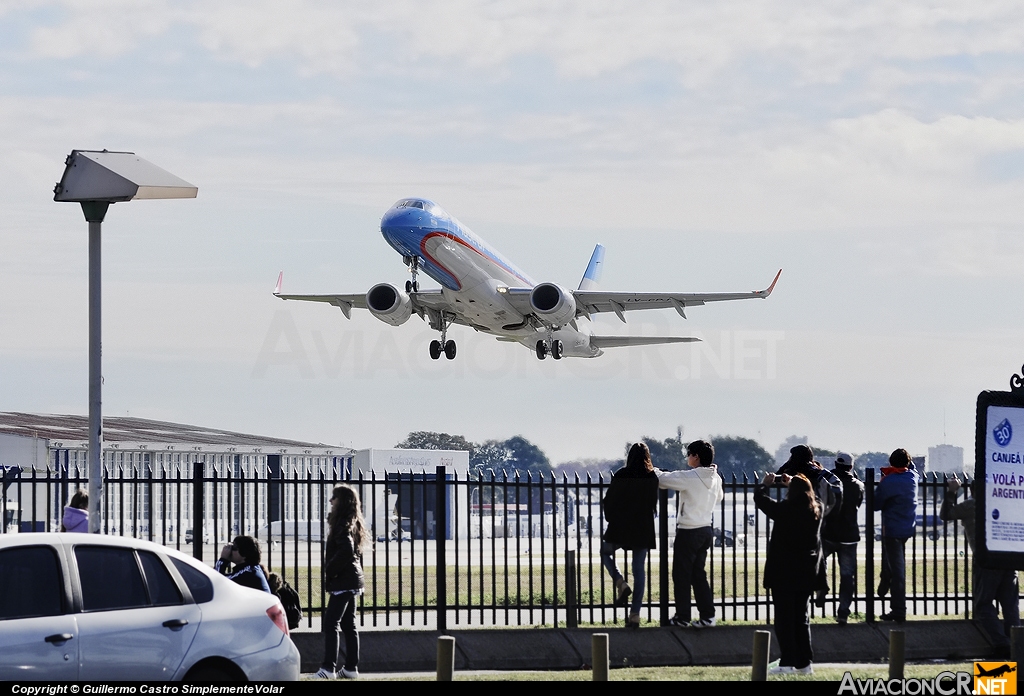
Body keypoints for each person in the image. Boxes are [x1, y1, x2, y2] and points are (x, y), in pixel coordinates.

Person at [940, 475, 1018, 657]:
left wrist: (952, 491)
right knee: (1010, 605)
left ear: (973, 490)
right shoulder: (1007, 503)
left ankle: (1002, 644)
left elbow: (946, 515)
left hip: (987, 560)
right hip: (1010, 557)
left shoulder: (971, 505)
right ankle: (1017, 643)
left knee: (983, 605)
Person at [755, 472, 824, 675]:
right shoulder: (815, 510)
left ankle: (787, 661)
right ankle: (804, 663)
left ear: (791, 492)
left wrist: (765, 484)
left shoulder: (785, 509)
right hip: (806, 572)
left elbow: (761, 500)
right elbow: (810, 496)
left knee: (784, 619)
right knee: (801, 618)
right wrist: (794, 483)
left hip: (784, 572)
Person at [657, 439, 724, 627]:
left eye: (689, 454)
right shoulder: (716, 478)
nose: (687, 458)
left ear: (696, 456)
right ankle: (708, 616)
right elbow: (719, 497)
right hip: (705, 530)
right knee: (698, 575)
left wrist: (651, 469)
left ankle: (682, 616)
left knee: (681, 575)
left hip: (688, 530)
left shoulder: (691, 477)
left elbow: (663, 480)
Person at [600, 442, 660, 628]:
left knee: (605, 552)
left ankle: (619, 581)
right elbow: (652, 504)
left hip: (621, 525)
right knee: (639, 570)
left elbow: (609, 500)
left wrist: (611, 518)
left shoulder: (621, 475)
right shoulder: (652, 478)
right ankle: (635, 614)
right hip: (642, 527)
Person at [316, 484, 366, 679]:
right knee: (348, 625)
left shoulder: (341, 524)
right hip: (352, 579)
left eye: (334, 498)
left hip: (344, 581)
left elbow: (346, 550)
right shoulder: (352, 521)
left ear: (342, 501)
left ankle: (328, 668)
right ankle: (351, 668)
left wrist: (331, 570)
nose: (331, 501)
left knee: (331, 624)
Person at [816, 452, 864, 624]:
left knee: (819, 563)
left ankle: (821, 588)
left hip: (829, 532)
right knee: (847, 576)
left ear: (836, 464)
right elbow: (857, 504)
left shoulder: (828, 481)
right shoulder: (858, 485)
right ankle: (843, 612)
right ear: (851, 466)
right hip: (849, 535)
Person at [872, 448, 918, 623]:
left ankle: (898, 609)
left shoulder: (888, 482)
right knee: (893, 561)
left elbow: (876, 505)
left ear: (891, 463)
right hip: (908, 528)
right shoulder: (913, 477)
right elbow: (911, 467)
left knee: (897, 570)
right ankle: (885, 578)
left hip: (891, 530)